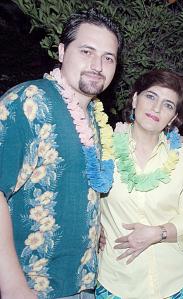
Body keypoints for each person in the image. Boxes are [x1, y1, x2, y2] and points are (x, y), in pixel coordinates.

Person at [0, 8, 122, 299]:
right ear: (62, 51)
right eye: (87, 51)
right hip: (33, 287)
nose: (98, 65)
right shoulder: (28, 102)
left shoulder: (94, 116)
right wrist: (13, 285)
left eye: (108, 57)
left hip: (82, 285)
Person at [96, 70, 183, 299]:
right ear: (135, 99)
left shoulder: (182, 155)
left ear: (173, 118)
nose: (156, 109)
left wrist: (157, 233)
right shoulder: (103, 148)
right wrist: (95, 228)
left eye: (168, 105)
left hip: (174, 282)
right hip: (116, 282)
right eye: (151, 97)